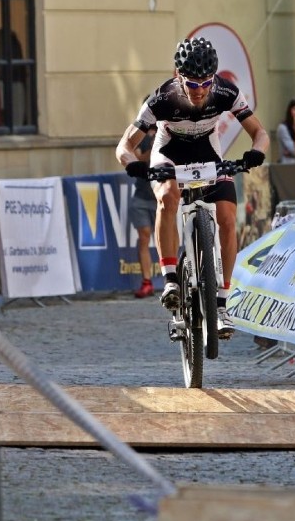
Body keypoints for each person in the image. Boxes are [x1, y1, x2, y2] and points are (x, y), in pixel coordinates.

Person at [115, 36, 269, 338]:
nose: (200, 91)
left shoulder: (225, 92)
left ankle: (222, 301)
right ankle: (171, 279)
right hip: (170, 152)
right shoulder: (162, 99)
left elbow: (260, 132)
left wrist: (257, 152)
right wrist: (131, 163)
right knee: (167, 198)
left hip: (207, 153)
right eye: (192, 84)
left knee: (226, 216)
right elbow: (125, 145)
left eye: (206, 84)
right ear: (178, 76)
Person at [130, 119, 158, 299]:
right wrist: (153, 149)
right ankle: (147, 281)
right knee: (144, 236)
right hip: (141, 195)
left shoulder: (171, 132)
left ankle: (174, 278)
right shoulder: (140, 136)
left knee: (167, 237)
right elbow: (138, 157)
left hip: (161, 197)